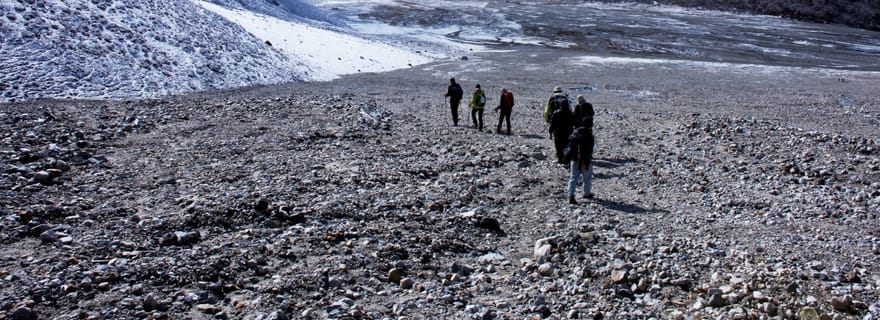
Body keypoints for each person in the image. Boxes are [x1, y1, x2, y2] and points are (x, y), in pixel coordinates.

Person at [565, 118, 595, 204]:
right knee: (587, 177)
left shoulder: (575, 133)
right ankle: (587, 193)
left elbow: (570, 146)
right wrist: (586, 162)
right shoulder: (589, 135)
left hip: (574, 159)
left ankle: (571, 195)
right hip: (584, 159)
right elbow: (589, 151)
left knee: (573, 177)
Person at [548, 89, 575, 164]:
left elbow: (552, 123)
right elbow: (574, 122)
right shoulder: (570, 113)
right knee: (566, 145)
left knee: (558, 145)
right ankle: (567, 159)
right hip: (568, 131)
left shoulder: (556, 113)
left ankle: (560, 159)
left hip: (558, 132)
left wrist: (550, 131)